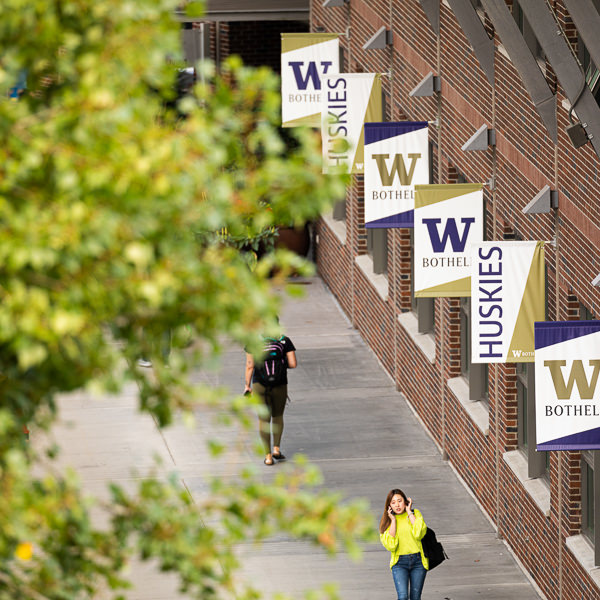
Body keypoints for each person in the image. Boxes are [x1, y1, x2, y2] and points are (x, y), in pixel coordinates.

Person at [244, 331, 297, 466]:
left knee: (263, 420)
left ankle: (268, 457)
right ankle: (276, 449)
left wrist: (247, 386)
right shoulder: (284, 341)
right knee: (278, 416)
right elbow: (293, 364)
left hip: (259, 384)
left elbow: (250, 365)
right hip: (280, 384)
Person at [379, 488, 428, 600]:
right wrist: (393, 521)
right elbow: (391, 545)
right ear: (389, 506)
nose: (397, 505)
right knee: (403, 596)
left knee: (415, 597)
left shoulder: (415, 514)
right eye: (393, 502)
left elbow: (419, 533)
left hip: (418, 561)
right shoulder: (387, 523)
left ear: (406, 501)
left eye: (400, 501)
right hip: (399, 563)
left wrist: (410, 512)